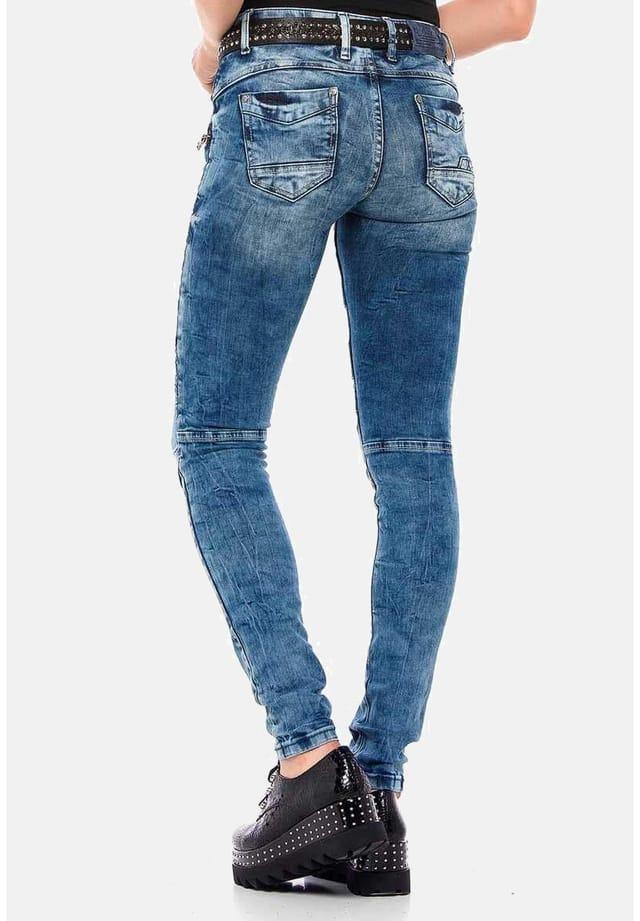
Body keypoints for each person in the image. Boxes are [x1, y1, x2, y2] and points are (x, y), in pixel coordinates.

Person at [174, 0, 535, 895]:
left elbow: (219, 7)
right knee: (415, 451)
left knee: (218, 436)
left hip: (284, 91)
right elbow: (513, 13)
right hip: (426, 106)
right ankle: (376, 792)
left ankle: (309, 758)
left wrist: (213, 48)